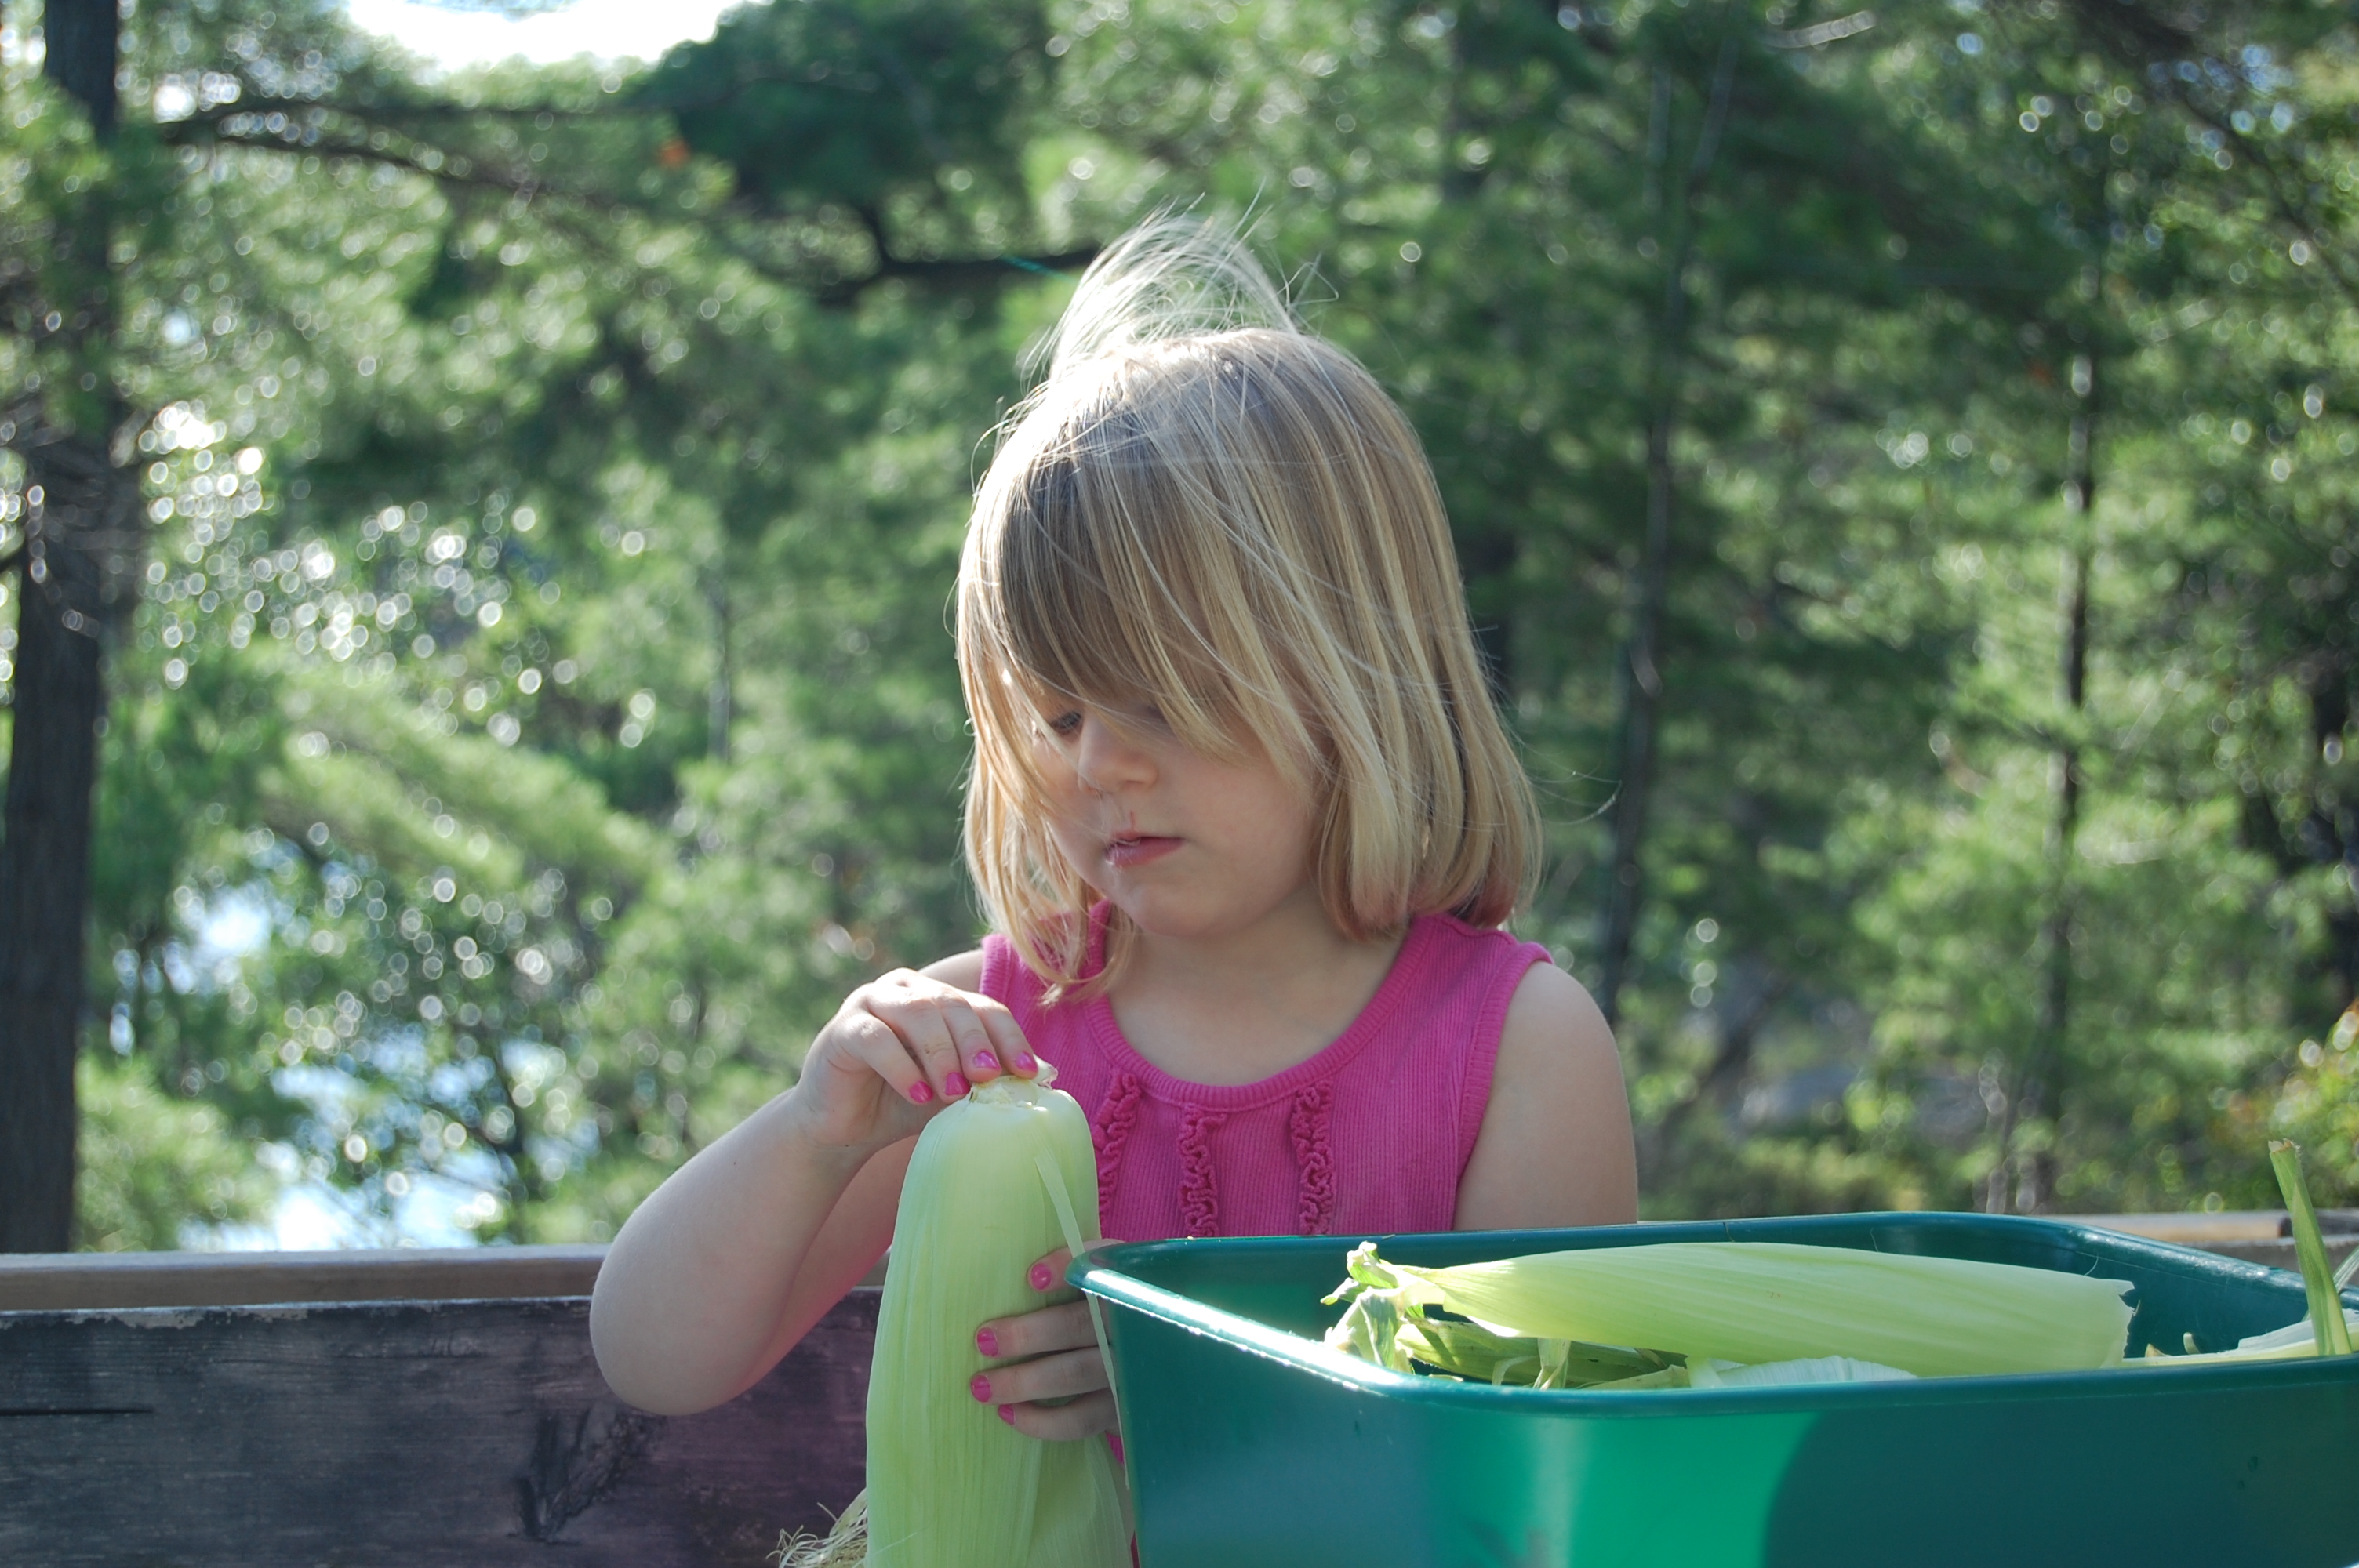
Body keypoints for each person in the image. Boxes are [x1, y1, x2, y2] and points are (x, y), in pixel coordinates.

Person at [587, 219, 1637, 1439]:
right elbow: (653, 1359)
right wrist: (814, 1133)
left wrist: (1188, 1387)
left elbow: (1539, 1469)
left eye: (1166, 698)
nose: (1100, 763)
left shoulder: (1516, 1051)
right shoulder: (991, 1040)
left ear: (1353, 674)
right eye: (1061, 712)